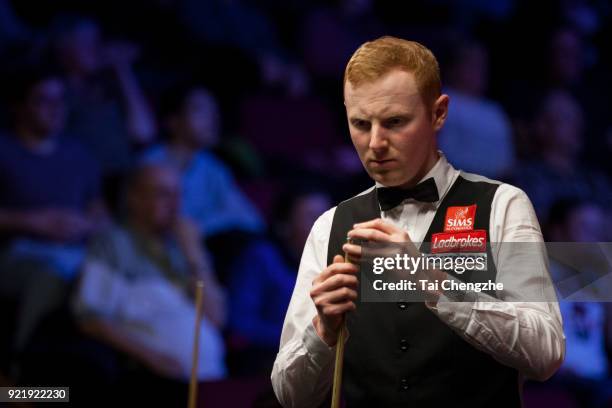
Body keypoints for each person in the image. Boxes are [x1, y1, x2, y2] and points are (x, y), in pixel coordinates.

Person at [271, 36, 564, 407]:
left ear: (438, 113)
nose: (375, 142)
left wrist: (429, 279)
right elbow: (289, 396)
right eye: (360, 123)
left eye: (395, 122)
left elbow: (546, 352)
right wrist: (323, 333)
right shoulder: (330, 225)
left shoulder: (503, 205)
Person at [74, 163, 227, 381]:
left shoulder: (184, 249)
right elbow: (90, 318)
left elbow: (217, 318)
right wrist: (152, 358)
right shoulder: (113, 244)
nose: (175, 206)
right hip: (153, 381)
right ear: (134, 199)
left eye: (178, 195)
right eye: (163, 195)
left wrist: (196, 255)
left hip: (211, 381)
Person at [0, 66, 104, 352]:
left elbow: (98, 209)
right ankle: (21, 376)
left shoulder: (78, 153)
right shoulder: (5, 149)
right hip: (17, 252)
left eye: (60, 101)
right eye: (44, 101)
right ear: (19, 106)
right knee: (50, 277)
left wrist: (88, 223)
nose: (55, 109)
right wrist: (33, 222)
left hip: (76, 251)